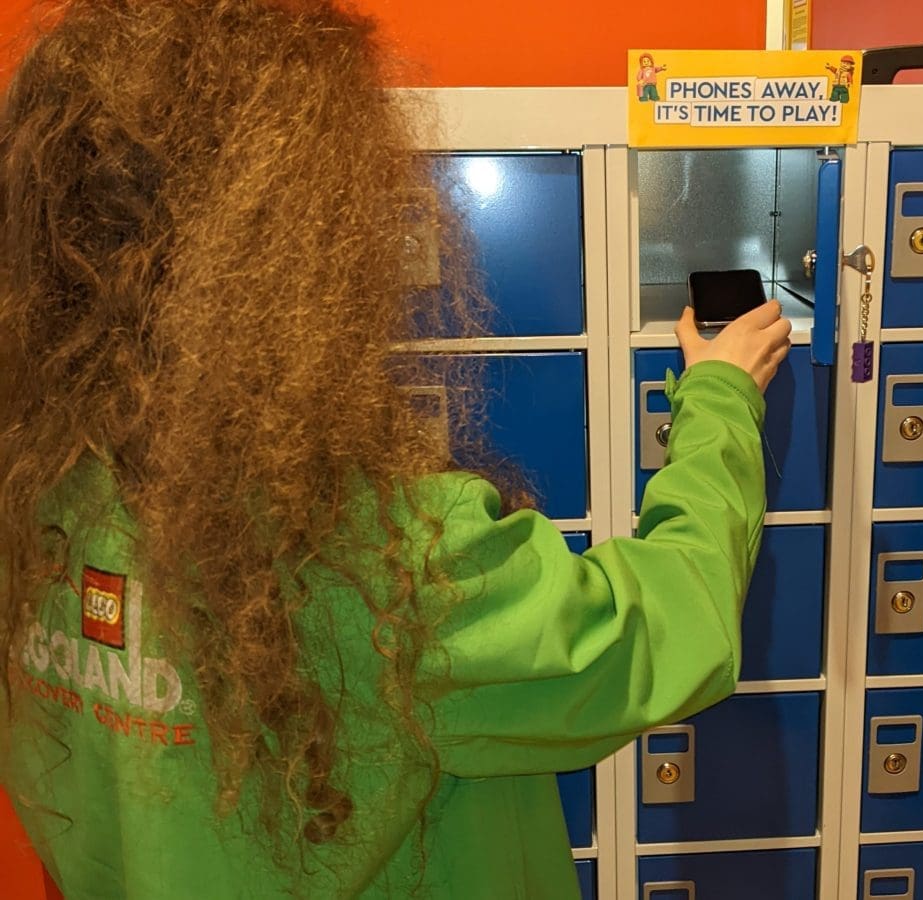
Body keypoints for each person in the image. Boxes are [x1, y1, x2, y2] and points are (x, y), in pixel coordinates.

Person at [0, 1, 792, 897]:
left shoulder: (37, 496)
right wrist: (721, 396)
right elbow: (664, 627)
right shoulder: (381, 562)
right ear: (285, 244)